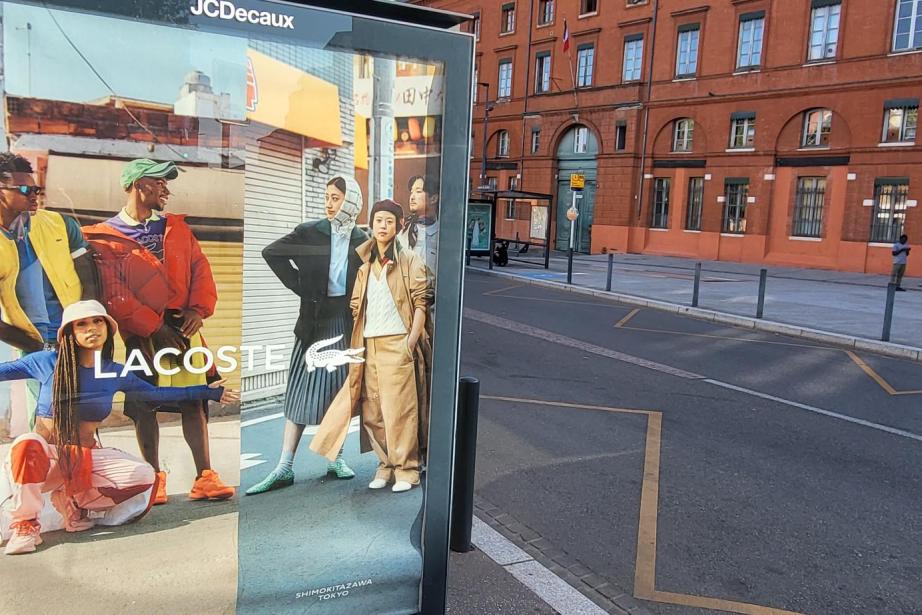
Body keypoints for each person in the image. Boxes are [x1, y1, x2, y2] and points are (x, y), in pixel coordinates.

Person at [0, 300, 237, 555]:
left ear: (107, 328)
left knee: (145, 477)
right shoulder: (45, 362)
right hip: (46, 461)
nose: (92, 328)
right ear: (69, 332)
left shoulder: (114, 371)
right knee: (27, 443)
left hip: (85, 461)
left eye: (97, 321)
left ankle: (75, 501)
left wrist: (208, 391)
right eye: (82, 324)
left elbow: (156, 394)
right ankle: (26, 523)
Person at [82, 159, 234, 505]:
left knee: (195, 399)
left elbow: (200, 268)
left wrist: (198, 309)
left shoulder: (176, 228)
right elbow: (113, 291)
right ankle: (153, 478)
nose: (167, 190)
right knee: (145, 404)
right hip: (142, 334)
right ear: (139, 185)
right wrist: (153, 326)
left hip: (183, 327)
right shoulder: (105, 236)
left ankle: (205, 477)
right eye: (160, 183)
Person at [246, 175, 368, 495]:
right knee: (300, 392)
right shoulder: (309, 232)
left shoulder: (362, 238)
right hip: (312, 321)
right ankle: (284, 466)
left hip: (344, 320)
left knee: (340, 393)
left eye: (336, 198)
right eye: (327, 197)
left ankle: (335, 459)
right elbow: (271, 252)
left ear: (351, 201)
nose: (329, 204)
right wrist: (300, 286)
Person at [311, 199, 432, 493]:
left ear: (399, 225)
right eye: (378, 220)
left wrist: (410, 341)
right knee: (373, 410)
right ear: (372, 224)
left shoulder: (410, 261)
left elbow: (421, 303)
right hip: (368, 346)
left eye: (389, 221)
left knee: (400, 410)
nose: (383, 226)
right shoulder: (365, 266)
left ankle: (407, 467)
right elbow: (356, 305)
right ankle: (386, 464)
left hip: (397, 342)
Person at [0, 152, 99, 429]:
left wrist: (89, 327)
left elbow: (89, 277)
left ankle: (76, 466)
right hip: (33, 340)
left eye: (36, 189)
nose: (34, 195)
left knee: (84, 413)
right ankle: (42, 467)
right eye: (24, 189)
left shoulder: (61, 224)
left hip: (74, 333)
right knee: (48, 412)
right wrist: (37, 347)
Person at [397, 174, 439, 270]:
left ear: (433, 199)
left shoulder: (441, 234)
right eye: (411, 192)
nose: (412, 197)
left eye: (418, 191)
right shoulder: (402, 228)